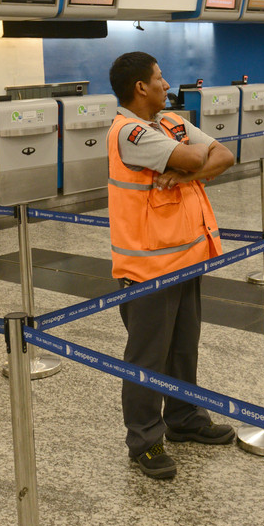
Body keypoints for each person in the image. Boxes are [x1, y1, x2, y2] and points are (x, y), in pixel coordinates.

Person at [106, 52, 236, 479]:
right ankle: (144, 440)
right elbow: (198, 159)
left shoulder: (171, 123)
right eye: (160, 78)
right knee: (147, 358)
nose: (166, 84)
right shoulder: (131, 134)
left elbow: (224, 155)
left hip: (186, 256)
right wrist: (191, 164)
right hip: (148, 268)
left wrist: (183, 176)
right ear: (140, 87)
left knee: (183, 347)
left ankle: (183, 418)